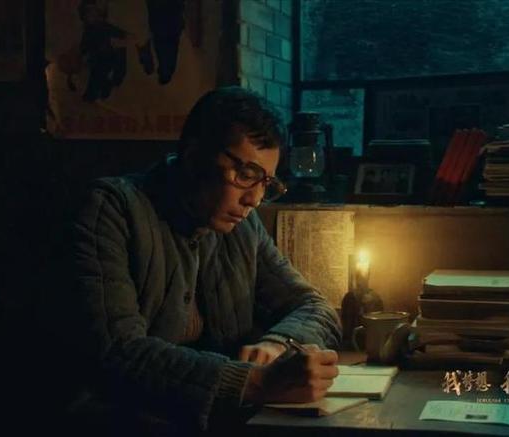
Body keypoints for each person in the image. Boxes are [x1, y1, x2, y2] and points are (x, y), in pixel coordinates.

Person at [56, 86, 342, 435]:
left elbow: (314, 306)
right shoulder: (110, 209)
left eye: (266, 183)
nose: (254, 199)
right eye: (245, 175)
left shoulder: (243, 226)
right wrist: (255, 382)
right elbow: (116, 351)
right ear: (194, 157)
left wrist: (277, 344)